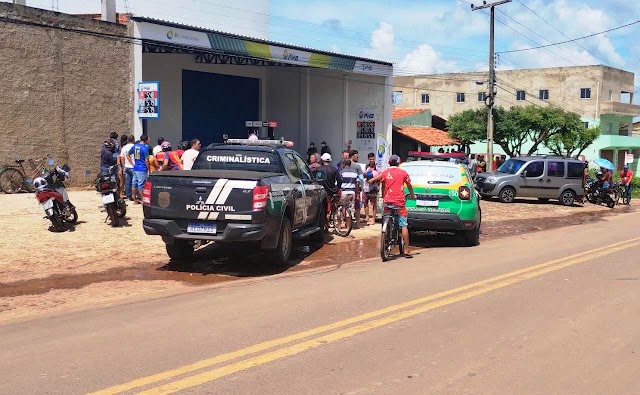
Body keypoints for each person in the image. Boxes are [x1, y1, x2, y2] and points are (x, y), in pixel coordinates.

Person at [368, 154, 416, 257]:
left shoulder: (385, 173)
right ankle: (407, 250)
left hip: (388, 201)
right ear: (399, 163)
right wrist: (412, 195)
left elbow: (383, 185)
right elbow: (409, 186)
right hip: (399, 202)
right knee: (403, 225)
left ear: (389, 163)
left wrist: (384, 196)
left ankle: (386, 236)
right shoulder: (403, 173)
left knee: (386, 218)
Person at [315, 153, 343, 229]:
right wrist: (337, 188)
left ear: (322, 160)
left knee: (327, 210)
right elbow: (340, 181)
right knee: (334, 207)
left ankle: (326, 226)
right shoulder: (334, 169)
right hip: (333, 191)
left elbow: (317, 181)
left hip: (324, 193)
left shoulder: (320, 169)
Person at [128, 134, 150, 205]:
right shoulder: (145, 148)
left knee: (134, 184)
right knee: (141, 185)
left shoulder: (135, 146)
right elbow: (147, 160)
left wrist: (132, 163)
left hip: (136, 167)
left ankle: (135, 200)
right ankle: (143, 201)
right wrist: (148, 169)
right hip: (142, 168)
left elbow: (127, 154)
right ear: (146, 140)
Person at [349, 150, 365, 228]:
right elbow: (361, 178)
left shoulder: (344, 165)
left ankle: (346, 223)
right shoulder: (357, 166)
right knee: (357, 205)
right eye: (356, 156)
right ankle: (358, 223)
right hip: (355, 188)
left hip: (346, 188)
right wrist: (361, 187)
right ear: (352, 156)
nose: (358, 157)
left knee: (346, 205)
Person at [363, 152, 381, 225]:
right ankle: (367, 217)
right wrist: (365, 175)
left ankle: (373, 218)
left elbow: (381, 175)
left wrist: (373, 179)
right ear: (368, 159)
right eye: (370, 159)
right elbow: (364, 174)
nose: (371, 160)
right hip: (366, 187)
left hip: (374, 188)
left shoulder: (377, 167)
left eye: (373, 159)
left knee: (373, 204)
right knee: (365, 202)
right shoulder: (366, 166)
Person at [119, 135, 135, 200]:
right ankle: (135, 195)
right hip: (134, 166)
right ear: (133, 140)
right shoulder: (135, 147)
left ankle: (128, 195)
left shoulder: (124, 148)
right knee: (135, 182)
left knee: (128, 182)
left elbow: (122, 158)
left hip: (127, 166)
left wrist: (123, 166)